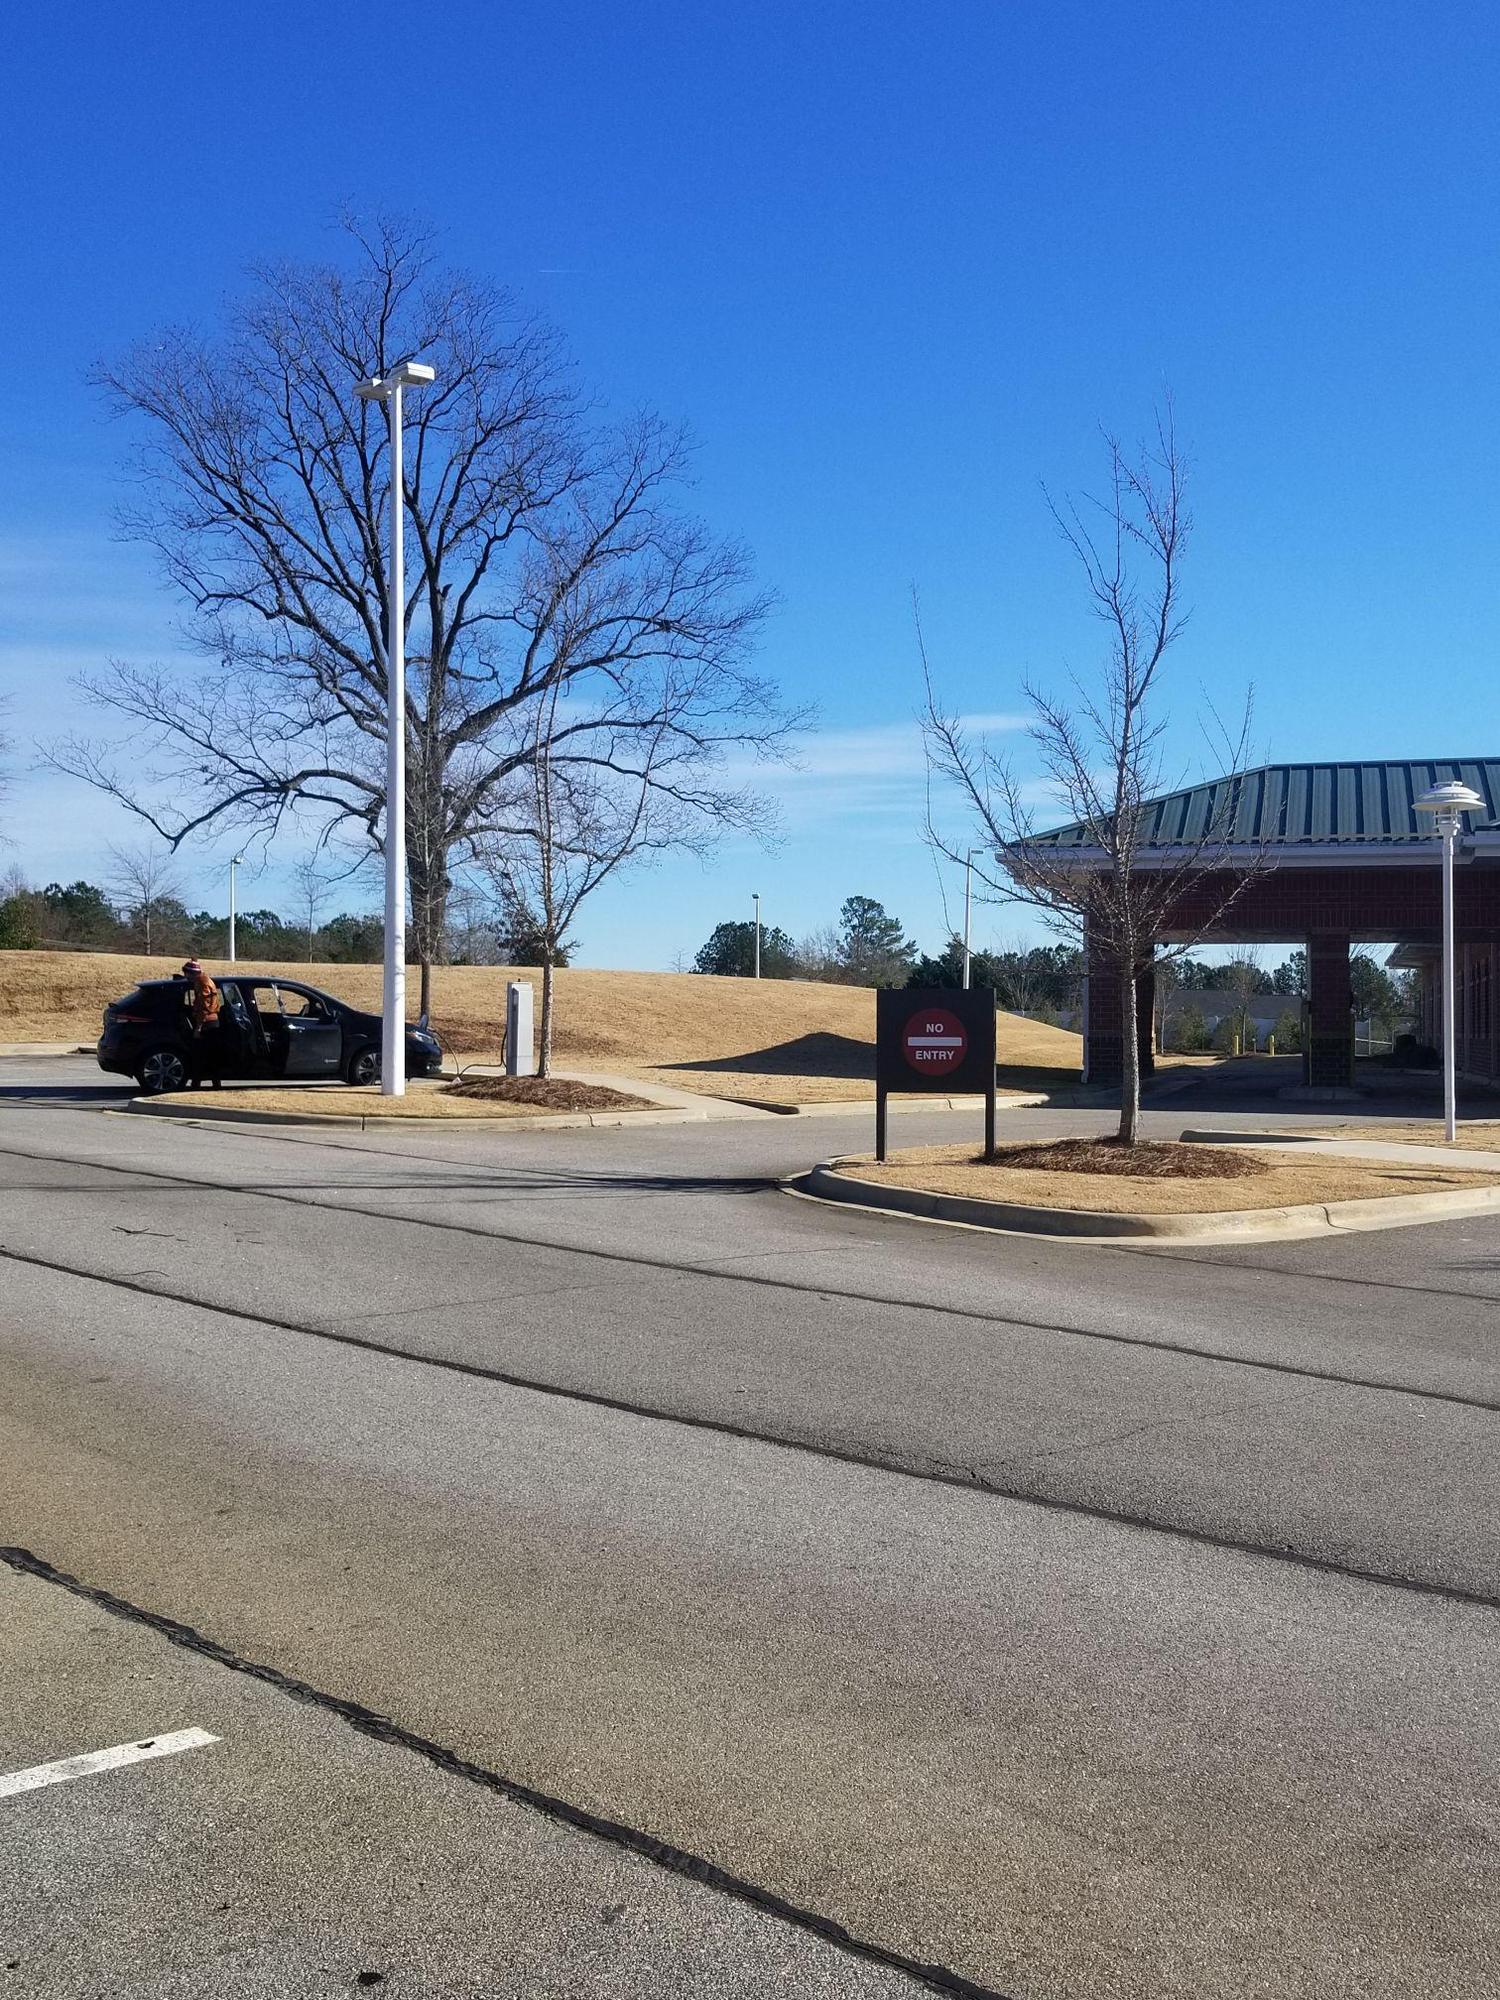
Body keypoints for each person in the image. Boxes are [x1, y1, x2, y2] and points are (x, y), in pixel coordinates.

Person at [181, 958, 225, 1090]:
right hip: (211, 1021)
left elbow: (203, 1006)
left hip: (208, 1023)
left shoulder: (202, 983)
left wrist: (199, 1027)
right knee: (210, 1055)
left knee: (202, 1055)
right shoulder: (206, 980)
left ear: (192, 973)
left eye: (186, 973)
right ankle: (214, 1083)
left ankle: (198, 1084)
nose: (185, 976)